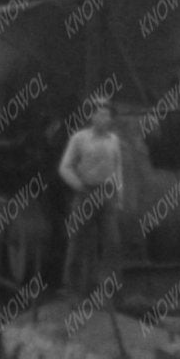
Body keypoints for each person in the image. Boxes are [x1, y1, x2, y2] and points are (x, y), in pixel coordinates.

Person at [57, 96, 127, 298]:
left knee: (112, 242)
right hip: (85, 192)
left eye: (107, 114)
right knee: (78, 241)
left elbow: (118, 169)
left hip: (107, 195)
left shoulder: (114, 140)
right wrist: (78, 185)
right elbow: (65, 167)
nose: (105, 118)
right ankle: (72, 288)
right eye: (100, 113)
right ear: (92, 116)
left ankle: (111, 291)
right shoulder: (79, 138)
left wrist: (119, 195)